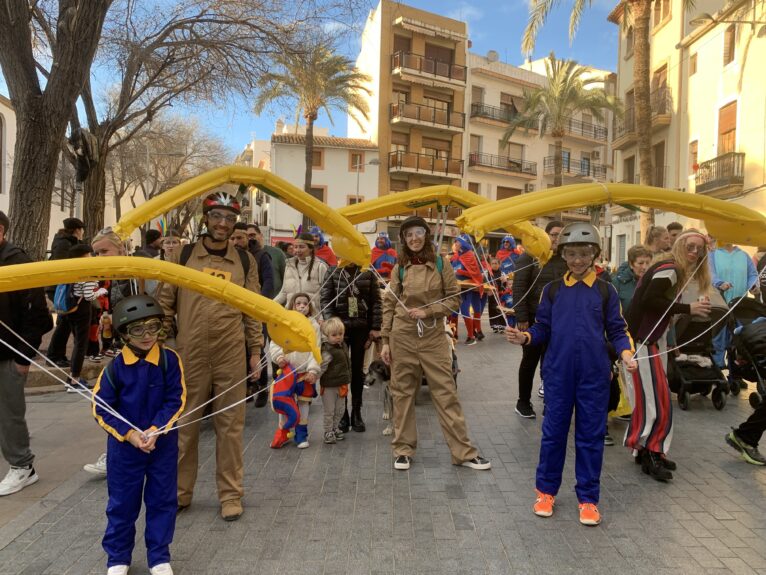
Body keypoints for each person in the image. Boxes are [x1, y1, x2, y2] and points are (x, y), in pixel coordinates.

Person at [505, 222, 637, 526]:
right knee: (552, 435)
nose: (578, 260)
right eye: (572, 254)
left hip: (594, 376)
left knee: (590, 437)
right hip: (558, 374)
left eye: (584, 253)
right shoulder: (552, 291)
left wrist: (626, 354)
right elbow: (542, 328)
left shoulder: (606, 291)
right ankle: (545, 492)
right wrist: (526, 338)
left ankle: (588, 499)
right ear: (563, 255)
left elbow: (619, 330)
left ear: (594, 255)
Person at [157, 191, 263, 521]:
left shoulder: (245, 261)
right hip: (189, 351)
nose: (223, 224)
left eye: (229, 219)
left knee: (230, 426)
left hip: (231, 352)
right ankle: (179, 492)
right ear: (206, 218)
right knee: (184, 423)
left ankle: (230, 495)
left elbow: (253, 309)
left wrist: (255, 350)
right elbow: (165, 303)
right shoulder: (184, 255)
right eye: (217, 216)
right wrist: (161, 346)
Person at [380, 216, 491, 472]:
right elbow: (389, 304)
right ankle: (403, 450)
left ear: (426, 235)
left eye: (418, 233)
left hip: (432, 338)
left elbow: (454, 300)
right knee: (403, 393)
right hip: (402, 337)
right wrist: (385, 341)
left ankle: (463, 452)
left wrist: (428, 311)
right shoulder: (400, 268)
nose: (414, 238)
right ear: (404, 240)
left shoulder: (442, 264)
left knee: (446, 393)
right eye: (408, 235)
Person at [92, 295, 185, 575]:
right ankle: (118, 558)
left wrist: (156, 430)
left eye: (153, 327)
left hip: (162, 445)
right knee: (122, 503)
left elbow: (176, 399)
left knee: (162, 501)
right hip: (125, 449)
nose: (147, 336)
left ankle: (159, 557)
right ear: (123, 334)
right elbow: (101, 408)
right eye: (137, 329)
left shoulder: (169, 360)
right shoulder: (115, 369)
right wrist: (130, 434)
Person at [625, 229, 712, 481]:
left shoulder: (670, 268)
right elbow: (651, 299)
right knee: (655, 398)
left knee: (651, 397)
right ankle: (651, 452)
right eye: (690, 246)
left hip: (648, 339)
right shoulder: (671, 268)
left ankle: (646, 450)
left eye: (699, 249)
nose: (694, 252)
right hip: (644, 341)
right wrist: (689, 308)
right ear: (679, 245)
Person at [0, 211, 54, 497]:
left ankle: (22, 466)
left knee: (9, 414)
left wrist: (23, 358)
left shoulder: (18, 262)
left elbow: (39, 319)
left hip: (9, 355)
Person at [82, 229, 134, 478]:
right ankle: (117, 451)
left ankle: (119, 453)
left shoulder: (135, 274)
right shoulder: (115, 276)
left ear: (121, 249)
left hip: (142, 350)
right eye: (96, 252)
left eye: (104, 251)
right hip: (125, 347)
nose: (99, 257)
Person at [320, 261, 382, 433]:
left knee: (356, 370)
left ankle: (356, 412)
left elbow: (376, 301)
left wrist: (375, 327)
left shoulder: (367, 273)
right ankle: (342, 413)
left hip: (361, 328)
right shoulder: (333, 271)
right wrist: (332, 327)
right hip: (339, 329)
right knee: (339, 369)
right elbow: (326, 299)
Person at [512, 220, 565, 418]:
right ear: (545, 235)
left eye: (561, 235)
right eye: (553, 234)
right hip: (533, 318)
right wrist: (522, 316)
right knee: (529, 361)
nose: (557, 239)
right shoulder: (530, 256)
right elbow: (519, 287)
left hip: (559, 320)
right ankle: (523, 402)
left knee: (551, 362)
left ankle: (551, 402)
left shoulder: (566, 258)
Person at [48, 244, 108, 392]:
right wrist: (101, 290)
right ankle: (74, 380)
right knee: (81, 345)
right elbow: (89, 295)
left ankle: (72, 378)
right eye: (89, 254)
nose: (91, 257)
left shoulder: (69, 271)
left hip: (70, 310)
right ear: (83, 257)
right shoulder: (86, 273)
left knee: (77, 343)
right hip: (82, 311)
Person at [268, 293, 321, 448]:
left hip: (304, 374)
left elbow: (315, 349)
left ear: (309, 306)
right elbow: (275, 343)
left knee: (304, 406)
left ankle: (301, 434)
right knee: (284, 403)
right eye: (298, 303)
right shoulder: (284, 323)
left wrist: (313, 370)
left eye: (305, 303)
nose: (302, 306)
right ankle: (282, 433)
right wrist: (278, 357)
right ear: (292, 305)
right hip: (287, 372)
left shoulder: (314, 326)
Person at [709, 243, 759, 367]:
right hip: (719, 304)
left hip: (739, 304)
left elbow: (752, 274)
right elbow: (710, 274)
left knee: (737, 339)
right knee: (718, 338)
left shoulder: (743, 255)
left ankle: (735, 374)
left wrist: (753, 285)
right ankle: (717, 369)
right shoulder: (713, 254)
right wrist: (719, 283)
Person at [275, 232, 329, 312]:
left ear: (311, 248)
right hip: (291, 316)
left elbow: (326, 296)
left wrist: (321, 317)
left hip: (313, 317)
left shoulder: (320, 267)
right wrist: (269, 304)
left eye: (301, 247)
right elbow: (284, 293)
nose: (298, 250)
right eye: (295, 247)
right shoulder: (289, 266)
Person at [319, 317, 351, 444]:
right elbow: (322, 367)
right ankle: (328, 431)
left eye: (340, 334)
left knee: (340, 409)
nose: (338, 337)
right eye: (334, 335)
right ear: (327, 335)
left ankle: (335, 427)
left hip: (342, 383)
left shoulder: (343, 345)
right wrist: (314, 376)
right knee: (329, 410)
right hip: (329, 386)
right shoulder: (326, 350)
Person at [452, 233, 486, 345]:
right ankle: (453, 334)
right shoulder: (455, 256)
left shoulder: (470, 256)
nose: (455, 243)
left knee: (465, 310)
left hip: (466, 288)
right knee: (453, 311)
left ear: (463, 243)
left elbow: (474, 274)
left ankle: (471, 336)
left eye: (457, 241)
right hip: (455, 288)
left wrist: (460, 272)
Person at [231, 222, 274, 298]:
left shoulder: (262, 256)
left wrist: (261, 302)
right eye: (232, 238)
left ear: (247, 238)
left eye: (239, 238)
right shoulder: (227, 256)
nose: (235, 242)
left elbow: (268, 282)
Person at [247, 223, 285, 296]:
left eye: (252, 235)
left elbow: (286, 279)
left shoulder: (277, 253)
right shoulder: (246, 255)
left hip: (275, 301)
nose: (250, 238)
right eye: (247, 236)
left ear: (261, 235)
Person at [612, 245, 653, 313]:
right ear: (631, 264)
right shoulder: (617, 283)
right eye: (640, 263)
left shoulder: (654, 281)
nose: (645, 267)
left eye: (648, 263)